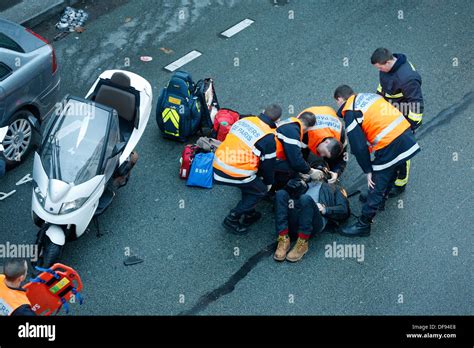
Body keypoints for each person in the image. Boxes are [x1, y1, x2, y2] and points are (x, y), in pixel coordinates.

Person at [334, 85, 420, 236]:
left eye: (336, 102)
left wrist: (368, 170)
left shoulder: (350, 111)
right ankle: (381, 200)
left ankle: (364, 224)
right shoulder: (367, 97)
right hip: (404, 135)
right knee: (392, 168)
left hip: (390, 143)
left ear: (340, 99)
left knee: (377, 181)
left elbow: (358, 146)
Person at [213, 104, 281, 235]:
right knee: (259, 190)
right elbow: (268, 165)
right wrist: (268, 183)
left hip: (218, 162)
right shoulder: (268, 138)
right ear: (277, 121)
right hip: (235, 171)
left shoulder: (245, 120)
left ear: (262, 111)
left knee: (250, 185)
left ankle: (249, 213)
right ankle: (232, 218)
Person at [371, 47, 424, 197]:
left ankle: (400, 183)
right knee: (389, 145)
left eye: (380, 67)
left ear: (388, 62)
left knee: (402, 151)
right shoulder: (386, 69)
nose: (379, 70)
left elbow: (416, 103)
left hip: (404, 115)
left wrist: (409, 126)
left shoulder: (407, 78)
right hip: (391, 110)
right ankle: (390, 172)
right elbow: (383, 86)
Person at [274, 172, 350, 262]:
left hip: (314, 220)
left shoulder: (335, 188)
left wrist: (325, 209)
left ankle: (302, 242)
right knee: (280, 193)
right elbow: (279, 205)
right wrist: (290, 186)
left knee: (305, 199)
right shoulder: (302, 184)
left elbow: (345, 210)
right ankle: (283, 239)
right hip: (295, 216)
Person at [273, 112, 324, 189]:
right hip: (269, 158)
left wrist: (301, 171)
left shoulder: (290, 122)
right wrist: (310, 171)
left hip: (266, 150)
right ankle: (273, 191)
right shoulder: (293, 132)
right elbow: (296, 161)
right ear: (309, 128)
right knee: (290, 170)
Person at [300, 106, 347, 183]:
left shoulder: (341, 136)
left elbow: (343, 158)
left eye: (325, 154)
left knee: (333, 159)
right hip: (308, 114)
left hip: (328, 113)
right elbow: (298, 156)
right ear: (326, 142)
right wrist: (307, 171)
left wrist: (336, 173)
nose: (321, 155)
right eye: (324, 152)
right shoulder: (305, 133)